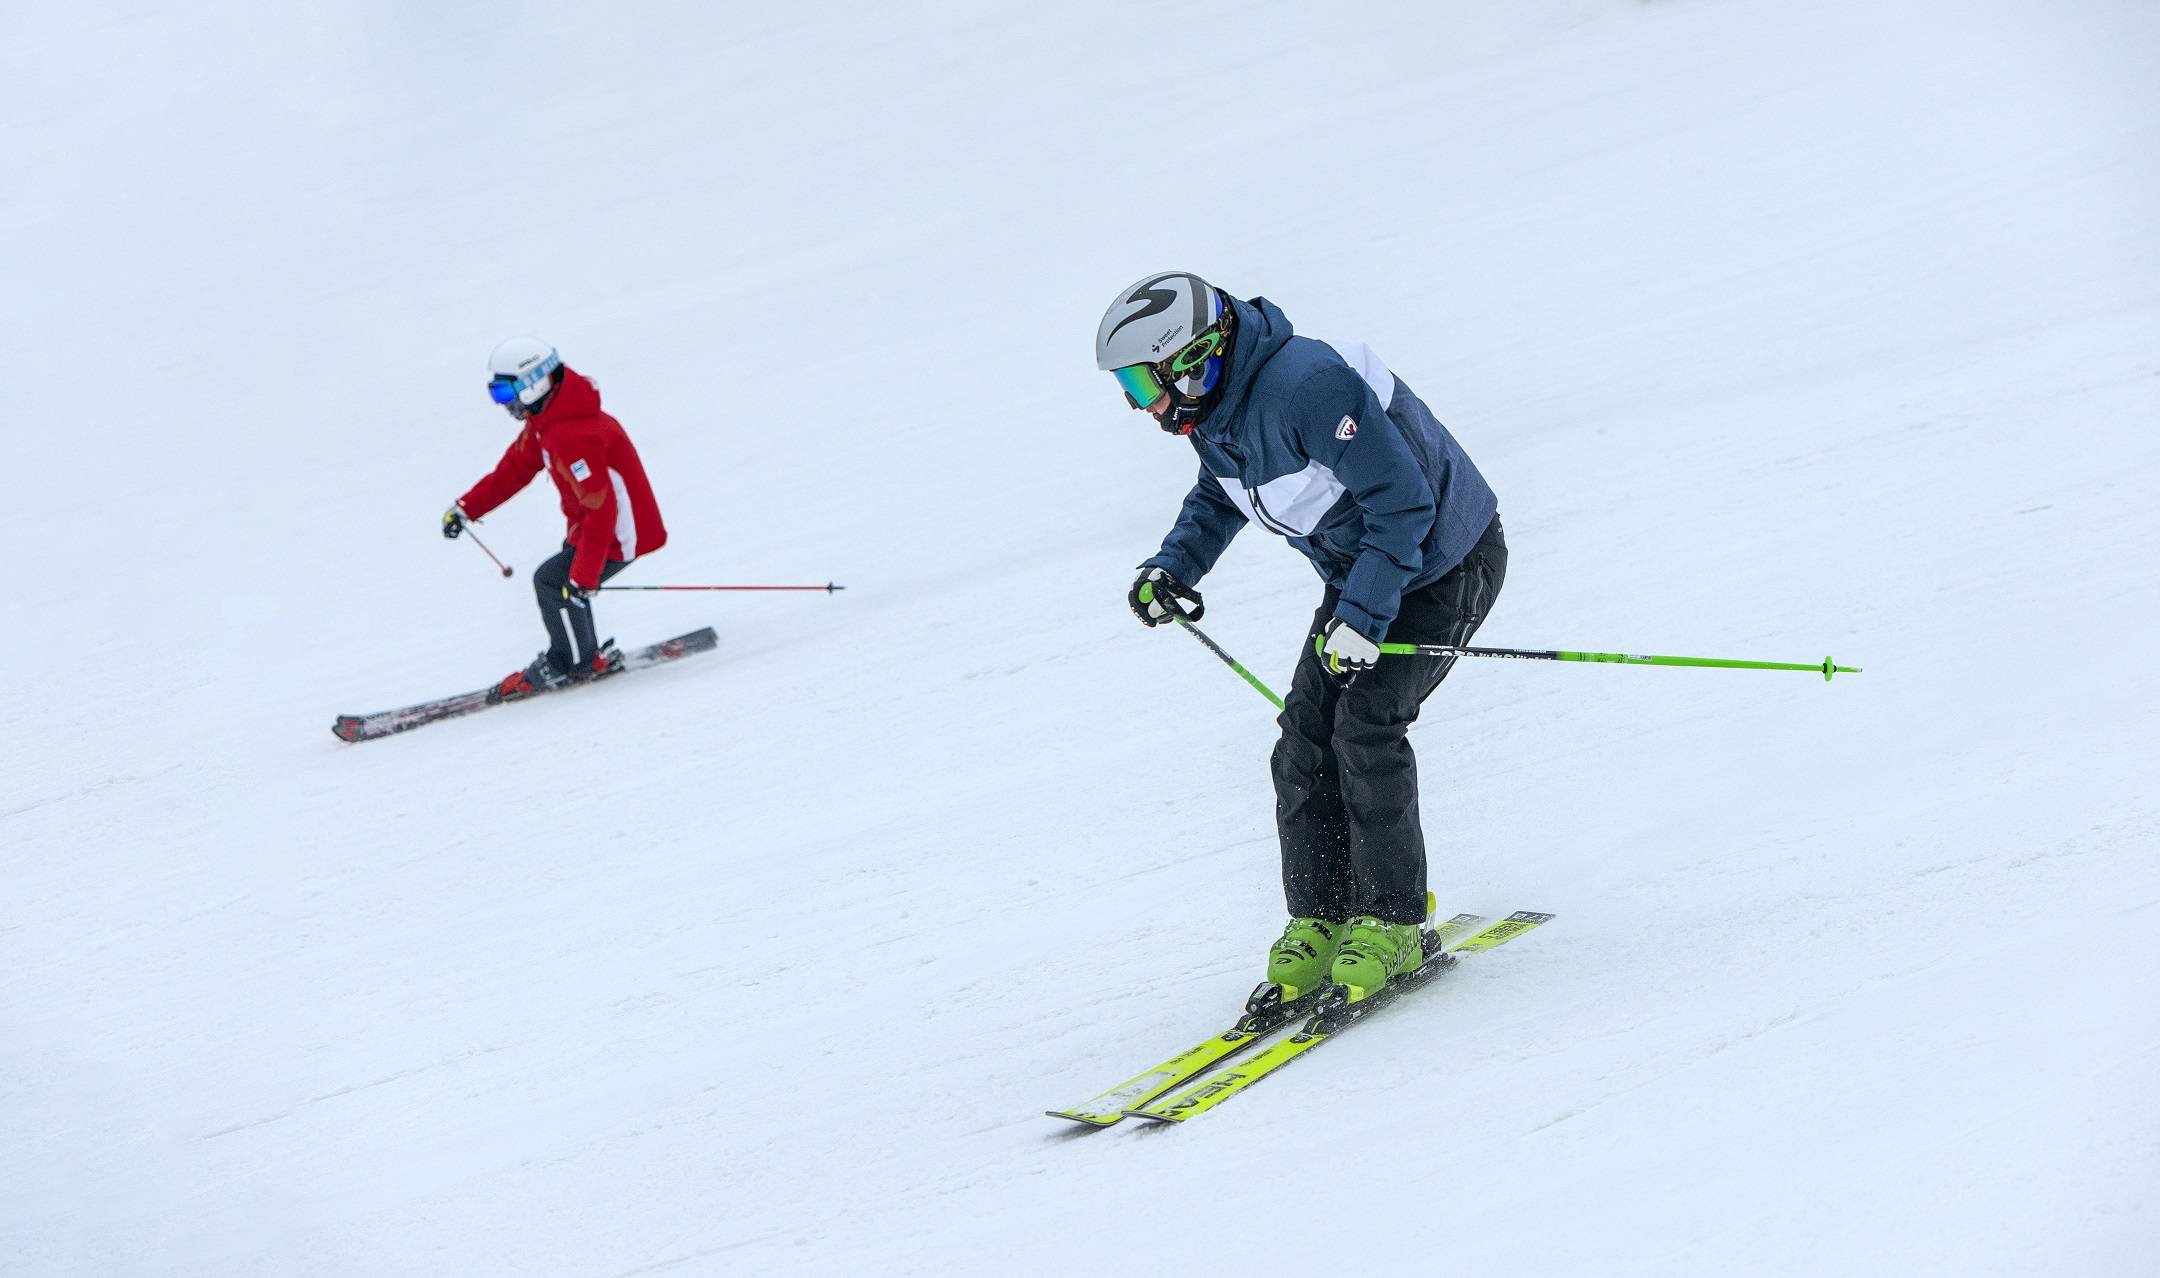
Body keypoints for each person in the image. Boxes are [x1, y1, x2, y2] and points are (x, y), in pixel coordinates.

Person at [1096, 272, 1507, 1004]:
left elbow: (1404, 501)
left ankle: (1393, 921)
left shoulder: (1307, 386)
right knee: (1303, 737)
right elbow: (1218, 497)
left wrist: (1365, 619)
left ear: (1192, 357)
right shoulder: (1213, 412)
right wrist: (1174, 565)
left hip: (1445, 561)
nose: (1136, 404)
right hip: (1368, 573)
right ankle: (1321, 914)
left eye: (1138, 380)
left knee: (1366, 725)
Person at [442, 337, 668, 702]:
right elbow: (513, 471)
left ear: (533, 382)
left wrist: (584, 575)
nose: (504, 404)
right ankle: (584, 655)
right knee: (563, 584)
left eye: (504, 392)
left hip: (621, 534)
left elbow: (602, 510)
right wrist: (467, 507)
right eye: (495, 394)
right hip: (592, 529)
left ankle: (574, 663)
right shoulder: (547, 422)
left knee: (555, 582)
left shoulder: (573, 434)